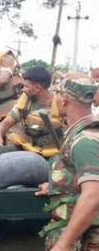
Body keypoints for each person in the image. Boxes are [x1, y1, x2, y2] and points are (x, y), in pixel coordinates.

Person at [35, 77, 99, 251]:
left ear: (64, 99)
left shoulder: (84, 141)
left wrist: (64, 244)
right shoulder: (85, 134)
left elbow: (93, 195)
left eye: (56, 94)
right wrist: (59, 185)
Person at [0, 67, 64, 158]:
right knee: (2, 152)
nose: (23, 90)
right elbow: (5, 123)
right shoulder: (25, 102)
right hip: (27, 149)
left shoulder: (61, 104)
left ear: (37, 88)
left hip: (51, 153)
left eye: (26, 86)